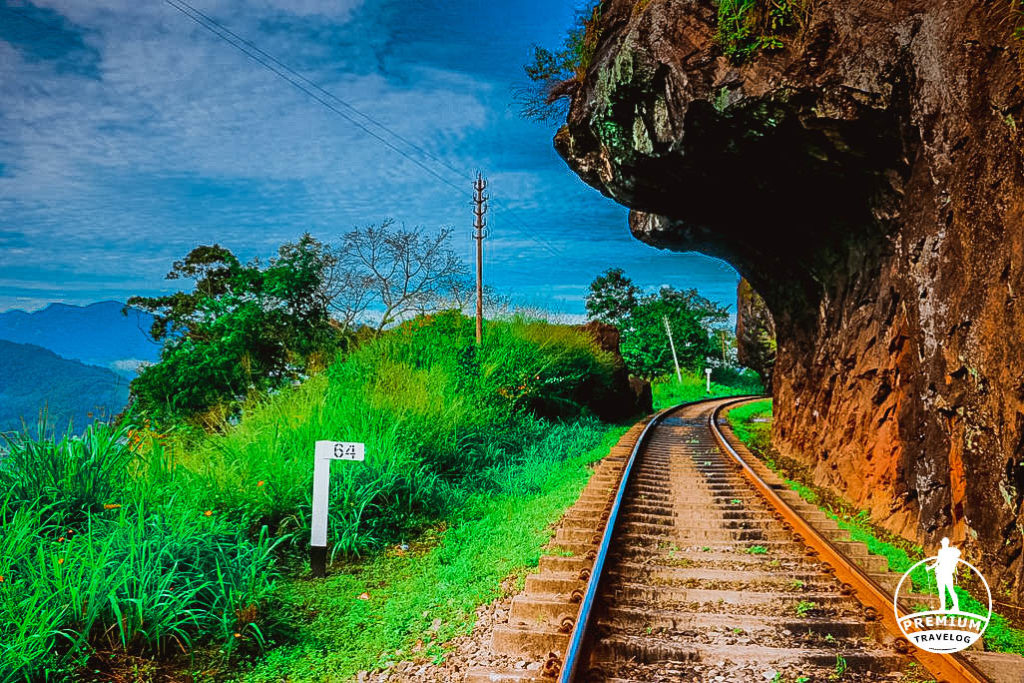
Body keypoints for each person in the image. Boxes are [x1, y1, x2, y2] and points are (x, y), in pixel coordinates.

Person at [927, 537, 961, 613]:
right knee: (941, 591)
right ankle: (943, 607)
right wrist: (930, 568)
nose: (943, 543)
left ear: (946, 543)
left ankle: (956, 607)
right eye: (943, 542)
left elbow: (958, 554)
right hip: (941, 573)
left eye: (944, 542)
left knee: (950, 590)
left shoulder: (950, 551)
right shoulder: (941, 551)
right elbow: (938, 562)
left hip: (946, 573)